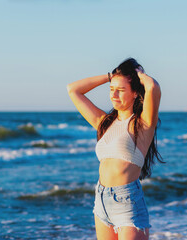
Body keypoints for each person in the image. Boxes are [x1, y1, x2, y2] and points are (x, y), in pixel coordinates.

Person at [67, 58, 164, 240]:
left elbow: (153, 87)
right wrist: (110, 77)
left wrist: (139, 75)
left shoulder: (143, 124)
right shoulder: (104, 123)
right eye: (112, 90)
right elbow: (73, 90)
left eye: (120, 90)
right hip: (101, 201)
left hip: (127, 202)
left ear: (135, 93)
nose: (114, 95)